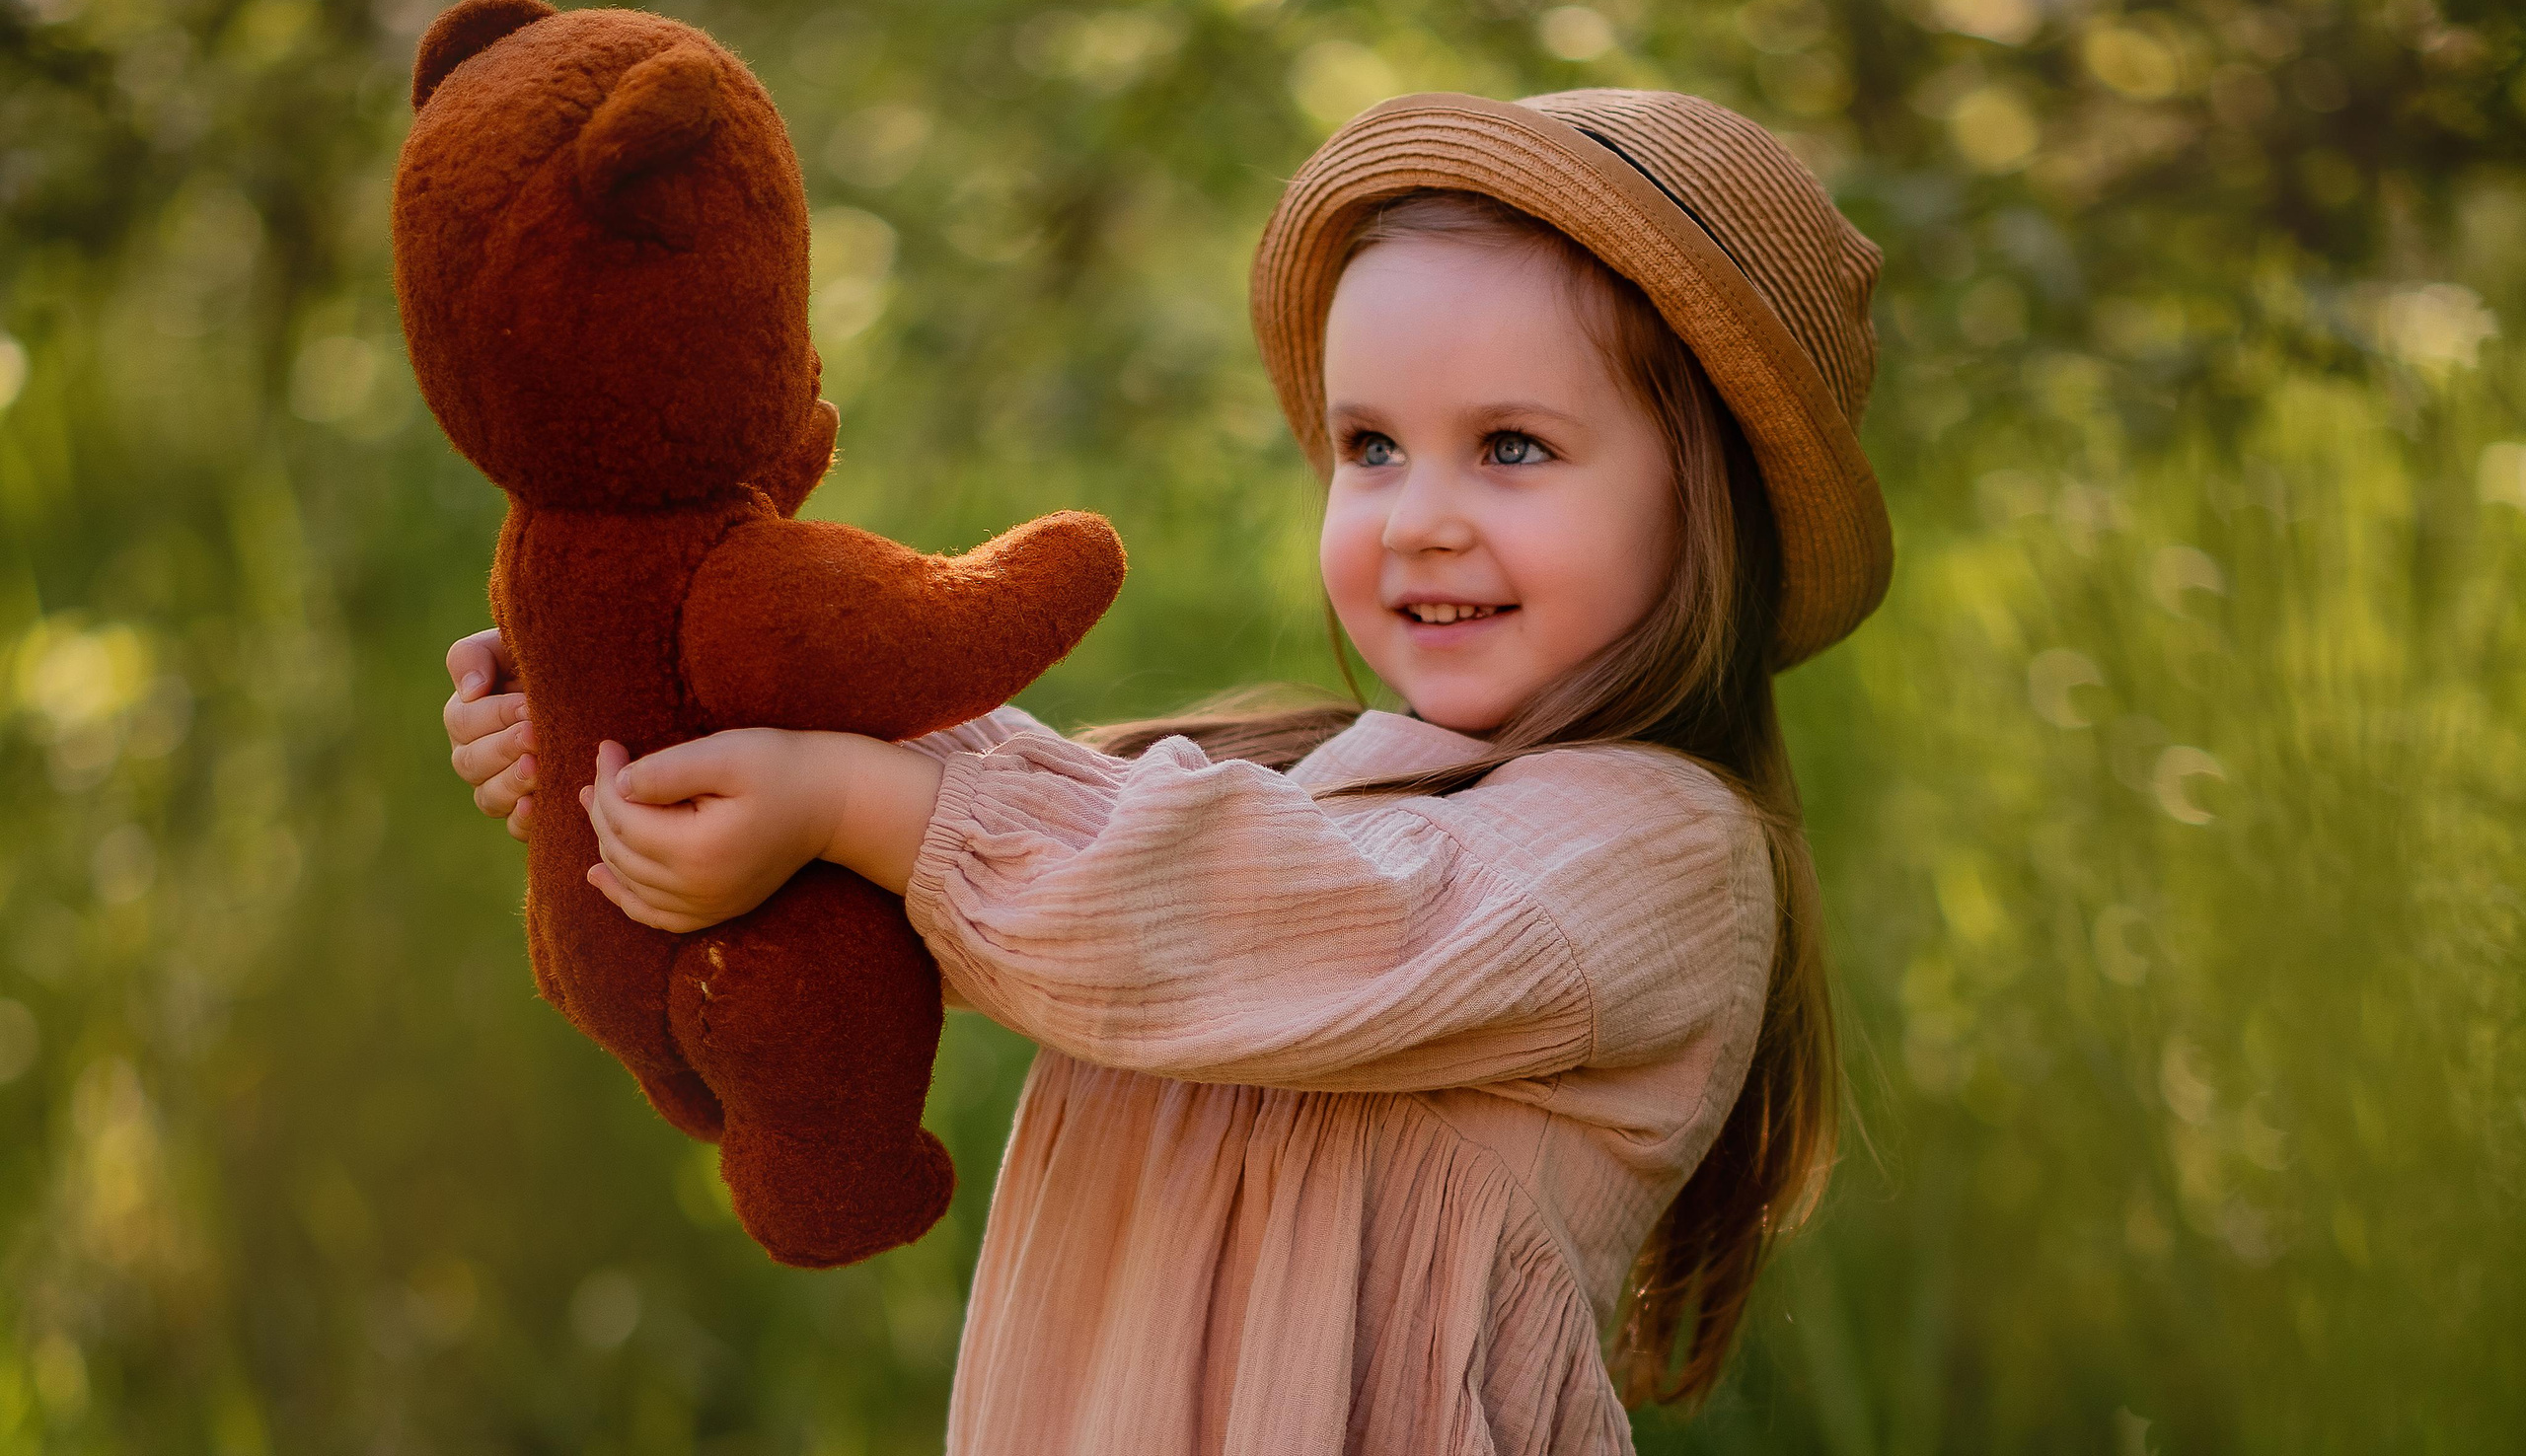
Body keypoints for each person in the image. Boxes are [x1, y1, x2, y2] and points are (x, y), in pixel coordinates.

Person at [439, 89, 1892, 1453]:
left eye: (1512, 445)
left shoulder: (1664, 847)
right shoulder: (1294, 780)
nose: (1417, 519)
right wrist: (632, 745)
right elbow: (975, 862)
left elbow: (1248, 912)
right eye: (1371, 446)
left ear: (1713, 507)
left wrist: (853, 799)